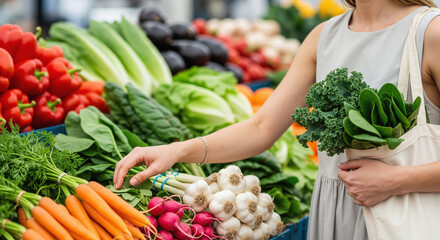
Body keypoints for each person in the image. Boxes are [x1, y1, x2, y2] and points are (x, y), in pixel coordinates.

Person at [114, 0, 440, 239]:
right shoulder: (324, 37)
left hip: (409, 215)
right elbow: (261, 128)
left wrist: (397, 180)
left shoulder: (429, 33)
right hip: (334, 215)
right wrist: (177, 150)